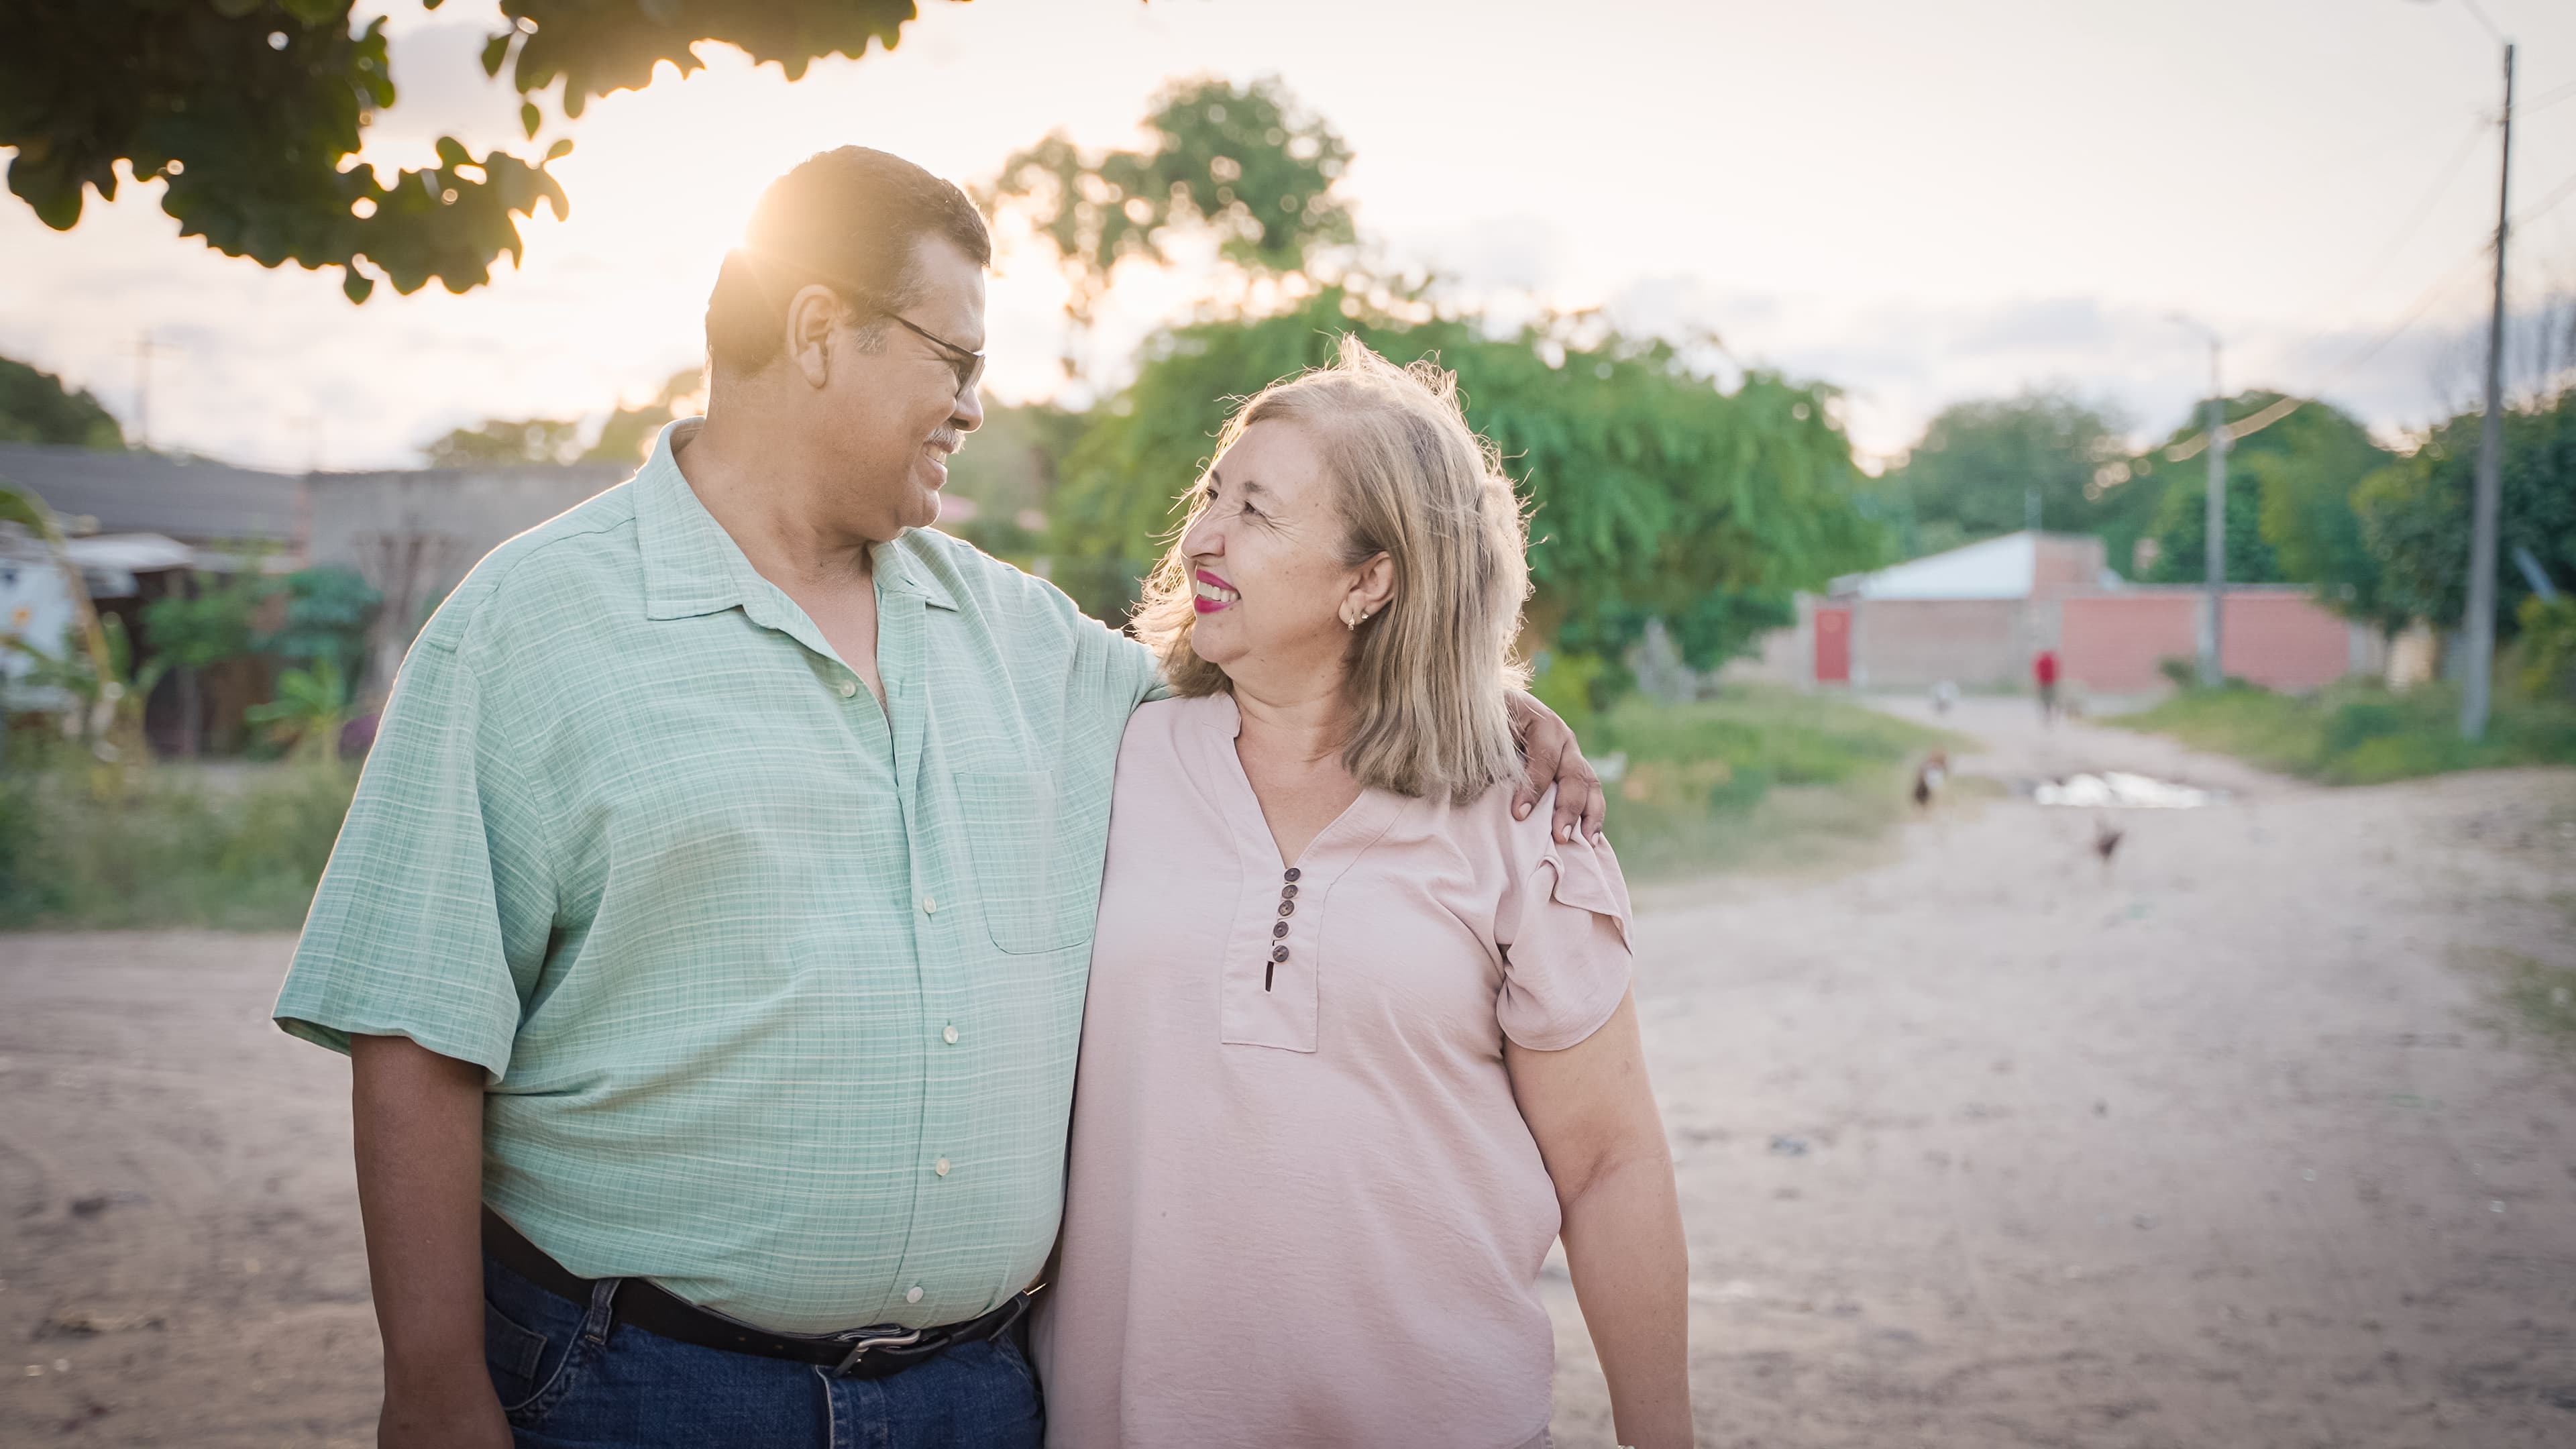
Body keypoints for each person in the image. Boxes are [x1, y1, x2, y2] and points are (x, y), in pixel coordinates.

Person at [269, 149, 1603, 1449]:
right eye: (954, 360)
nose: (973, 404)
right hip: (640, 1393)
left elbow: (1272, 700)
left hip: (982, 1399)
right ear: (816, 330)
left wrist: (1468, 693)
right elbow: (417, 1032)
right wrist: (434, 1392)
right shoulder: (531, 622)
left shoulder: (1022, 638)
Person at [1034, 341, 1693, 1449]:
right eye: (1210, 497)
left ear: (1370, 579)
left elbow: (1610, 1164)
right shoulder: (1106, 749)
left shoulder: (1519, 811)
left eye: (1256, 510)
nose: (1201, 535)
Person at [2033, 647, 2061, 723]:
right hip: (2050, 682)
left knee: (2044, 700)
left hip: (2043, 683)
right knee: (2050, 699)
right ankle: (2050, 714)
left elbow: (2037, 671)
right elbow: (2056, 670)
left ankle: (2046, 715)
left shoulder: (2041, 660)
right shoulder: (2052, 660)